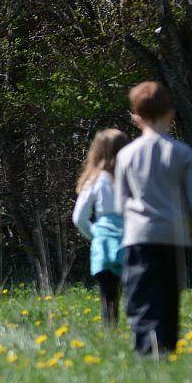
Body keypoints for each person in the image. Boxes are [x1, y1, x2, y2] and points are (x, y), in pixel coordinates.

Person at [115, 81, 192, 356]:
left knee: (141, 296)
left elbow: (120, 204)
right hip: (173, 236)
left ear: (136, 117)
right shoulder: (181, 153)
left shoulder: (126, 154)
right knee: (169, 296)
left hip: (138, 237)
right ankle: (166, 350)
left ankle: (145, 351)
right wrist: (188, 227)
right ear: (171, 113)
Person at [72, 129, 128, 327]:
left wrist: (95, 235)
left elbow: (79, 217)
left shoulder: (94, 180)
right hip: (130, 241)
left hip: (104, 243)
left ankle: (111, 332)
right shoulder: (133, 178)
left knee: (109, 297)